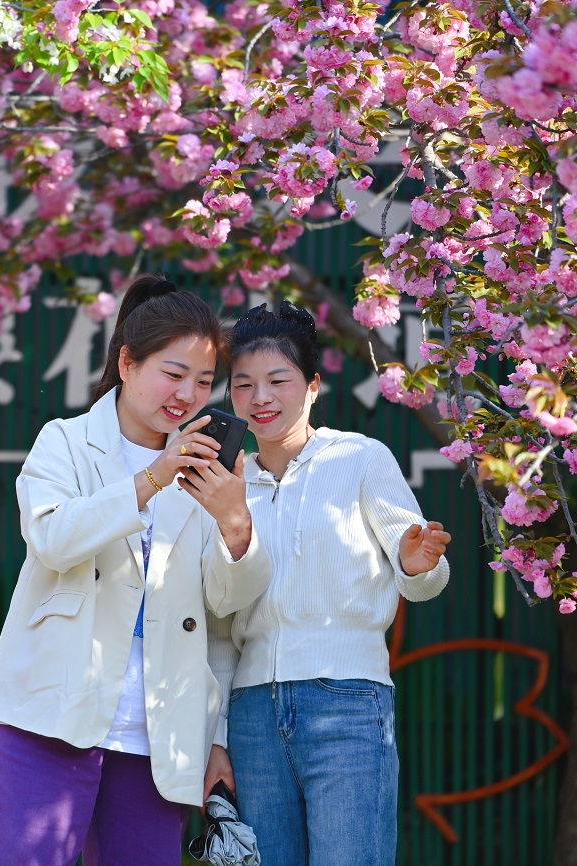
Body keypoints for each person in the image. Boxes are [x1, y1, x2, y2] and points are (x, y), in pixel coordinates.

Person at [0, 275, 272, 866]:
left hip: (155, 738)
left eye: (204, 380)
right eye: (173, 373)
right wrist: (154, 477)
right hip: (49, 716)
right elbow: (53, 539)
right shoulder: (66, 441)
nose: (187, 395)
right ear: (128, 363)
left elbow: (224, 605)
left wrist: (236, 525)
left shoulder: (209, 470)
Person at [207, 301, 452, 866]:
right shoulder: (224, 485)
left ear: (313, 386)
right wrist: (217, 736)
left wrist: (416, 564)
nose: (260, 398)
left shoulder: (359, 459)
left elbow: (422, 578)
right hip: (252, 717)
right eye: (243, 384)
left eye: (278, 381)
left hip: (347, 703)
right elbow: (216, 627)